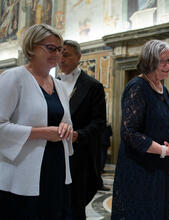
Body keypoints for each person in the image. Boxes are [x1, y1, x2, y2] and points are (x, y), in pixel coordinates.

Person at [0, 24, 73, 219]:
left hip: (56, 165)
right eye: (50, 48)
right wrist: (40, 132)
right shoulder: (13, 78)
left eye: (60, 49)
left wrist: (66, 129)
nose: (57, 54)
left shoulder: (59, 85)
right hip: (23, 170)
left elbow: (65, 123)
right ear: (32, 47)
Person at [111, 40, 169, 220]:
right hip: (139, 170)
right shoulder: (137, 87)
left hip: (160, 169)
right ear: (150, 61)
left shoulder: (163, 89)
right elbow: (129, 133)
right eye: (164, 61)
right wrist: (163, 151)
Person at [58, 40, 107, 219]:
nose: (61, 59)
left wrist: (79, 135)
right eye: (60, 54)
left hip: (80, 156)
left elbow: (100, 122)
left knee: (75, 206)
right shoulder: (51, 83)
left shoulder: (93, 86)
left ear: (79, 57)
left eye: (66, 54)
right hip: (54, 153)